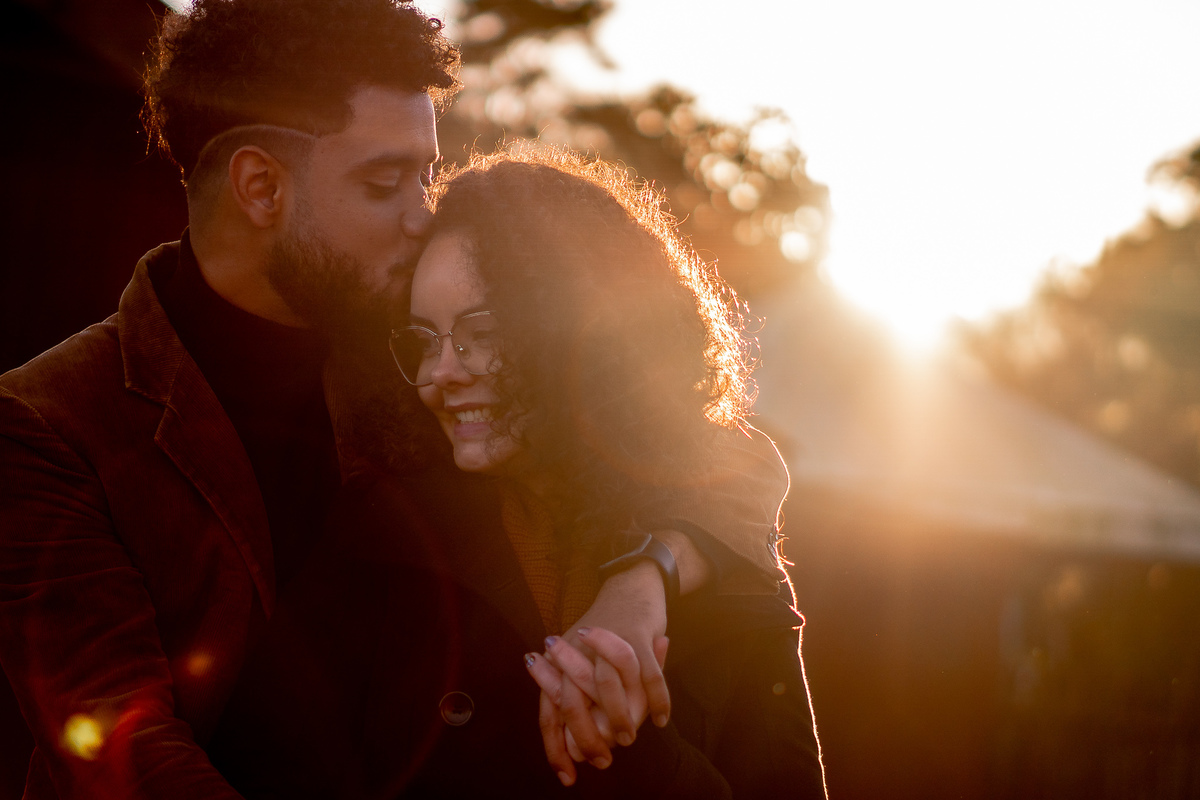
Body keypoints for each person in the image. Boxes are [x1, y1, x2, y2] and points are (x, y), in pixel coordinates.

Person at [0, 0, 791, 796]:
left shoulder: (420, 341)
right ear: (260, 187)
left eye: (427, 174)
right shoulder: (45, 421)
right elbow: (122, 756)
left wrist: (641, 582)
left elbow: (711, 445)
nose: (423, 216)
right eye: (386, 182)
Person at [314, 146, 825, 797]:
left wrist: (626, 742)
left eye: (484, 332)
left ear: (583, 330)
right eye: (424, 338)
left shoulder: (723, 563)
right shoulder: (382, 540)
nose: (440, 374)